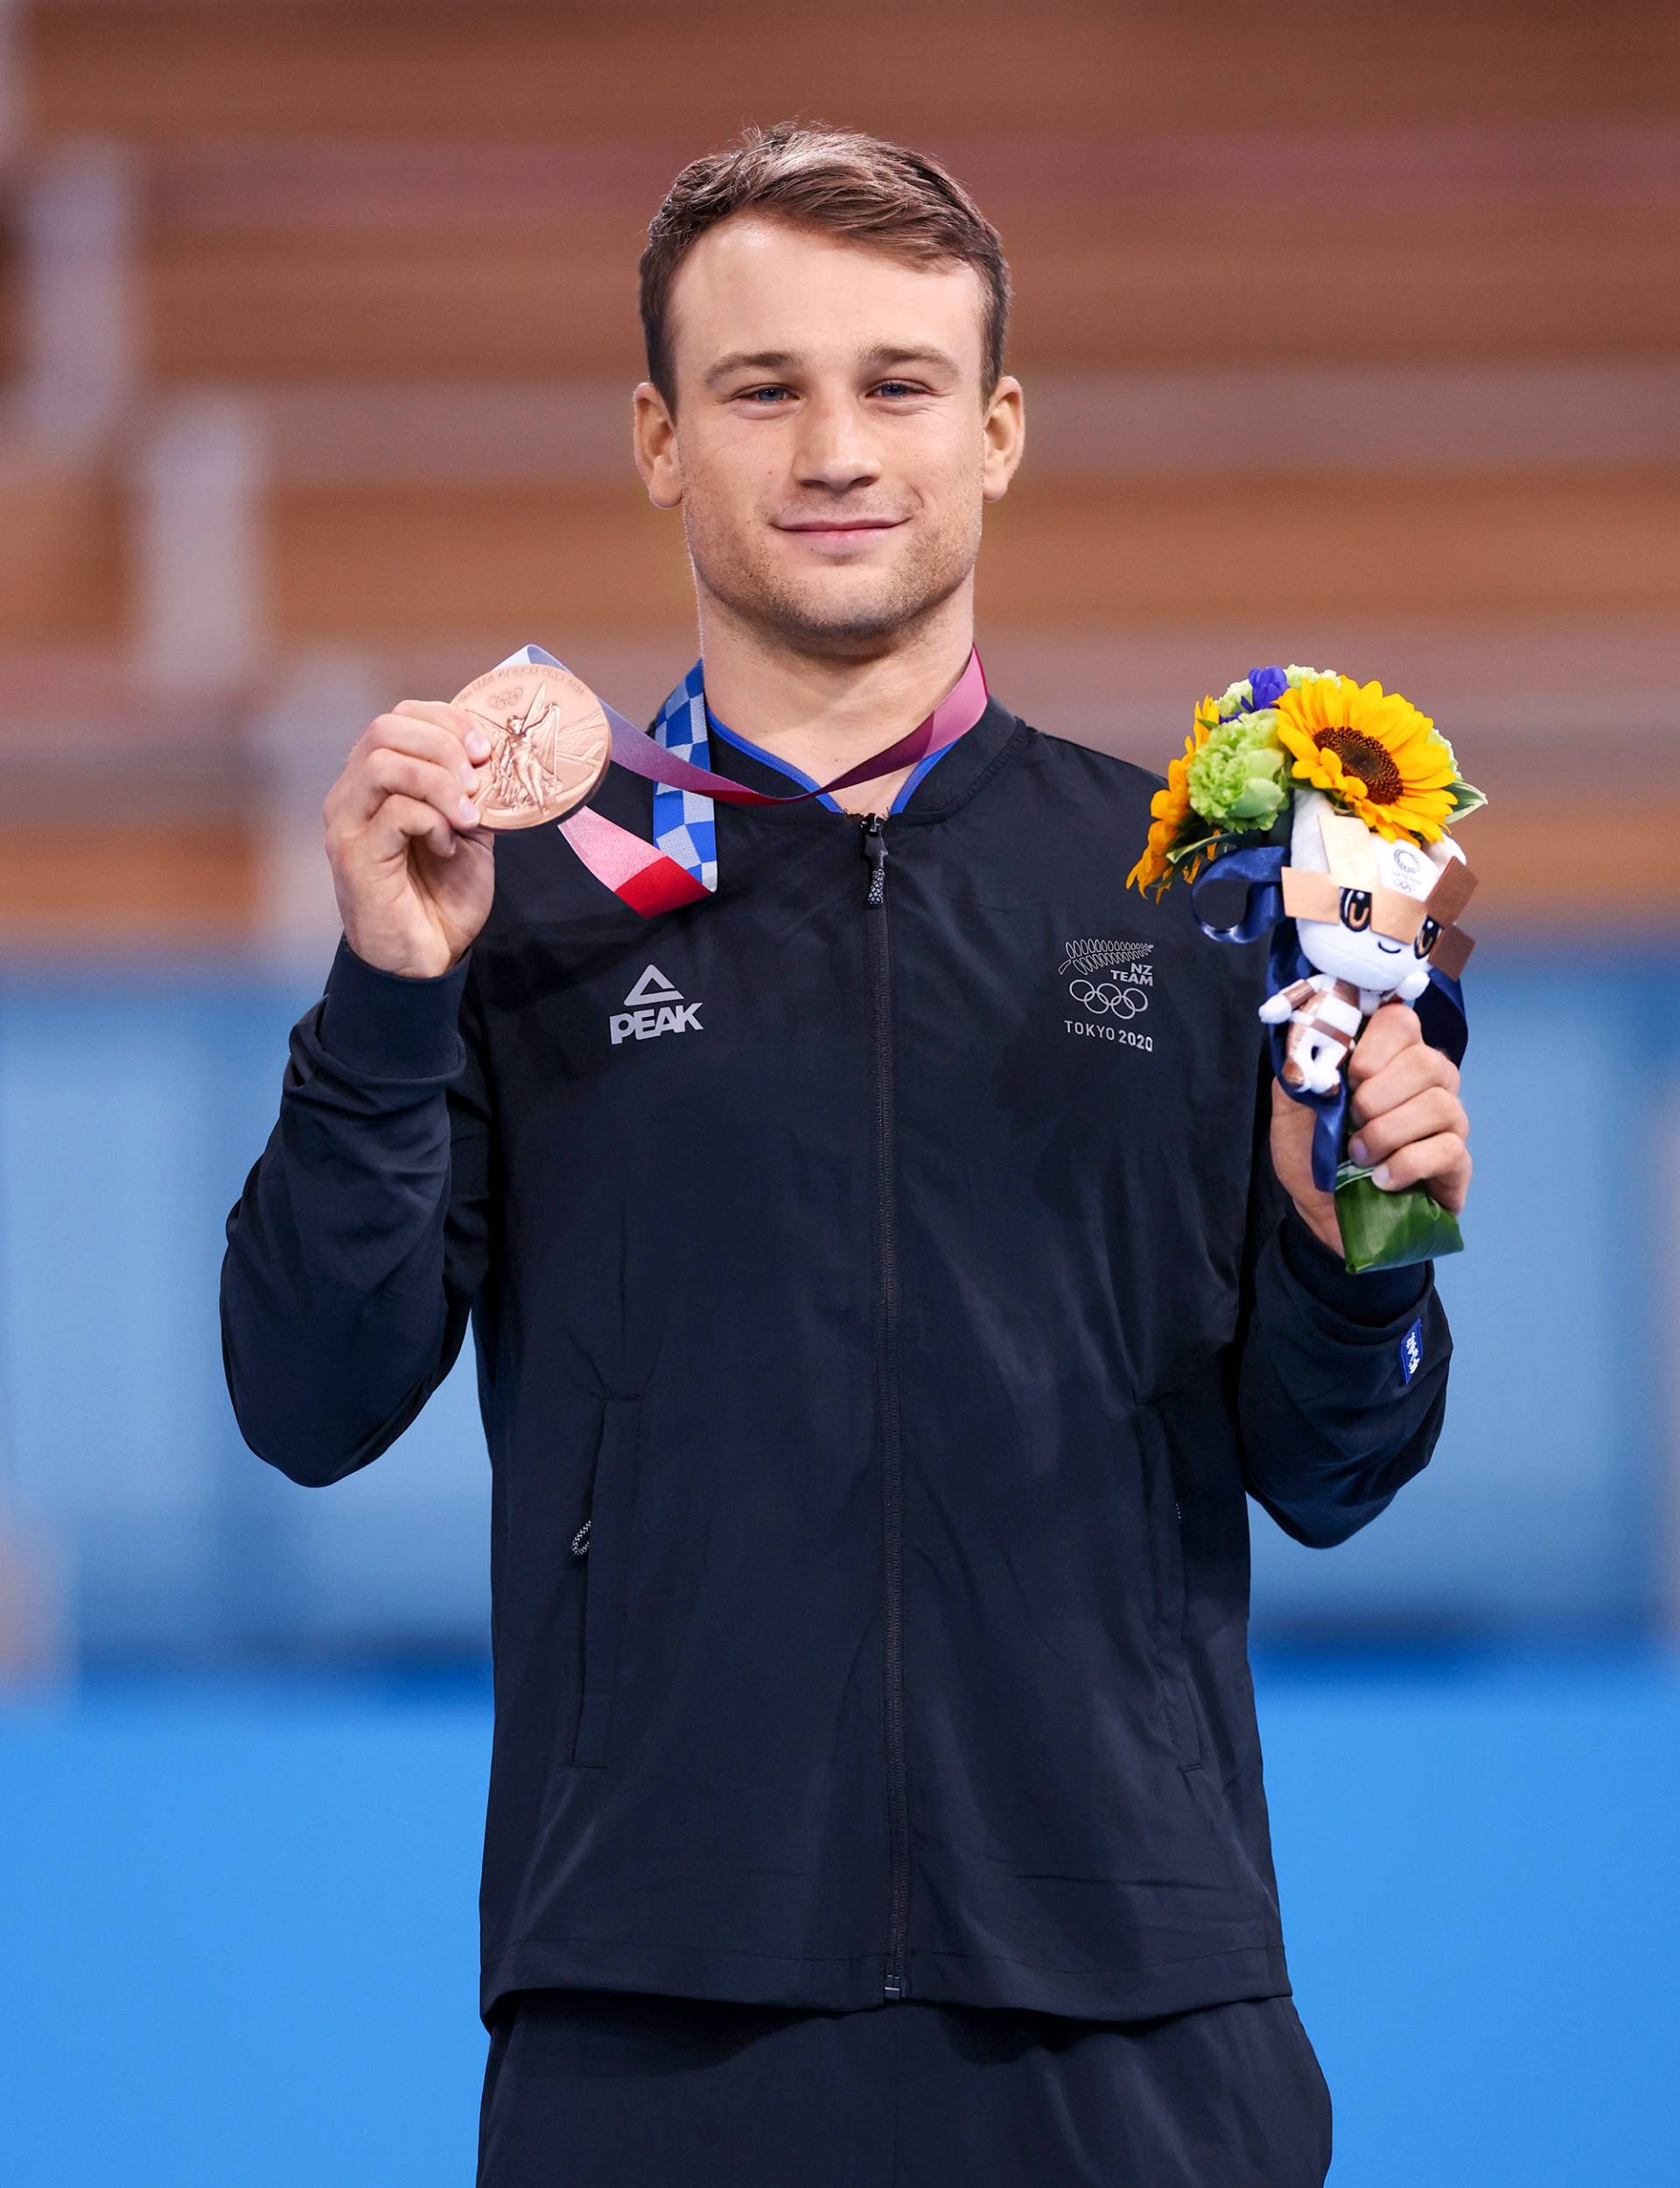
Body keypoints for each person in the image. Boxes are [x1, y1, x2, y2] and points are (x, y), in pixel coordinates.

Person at [220, 120, 1473, 2188]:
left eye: (896, 384)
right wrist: (381, 1006)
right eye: (761, 386)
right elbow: (307, 1396)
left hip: (1132, 2003)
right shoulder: (514, 901)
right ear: (654, 436)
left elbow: (1334, 1470)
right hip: (654, 2007)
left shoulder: (1212, 892)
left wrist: (1363, 1261)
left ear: (995, 431)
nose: (834, 446)